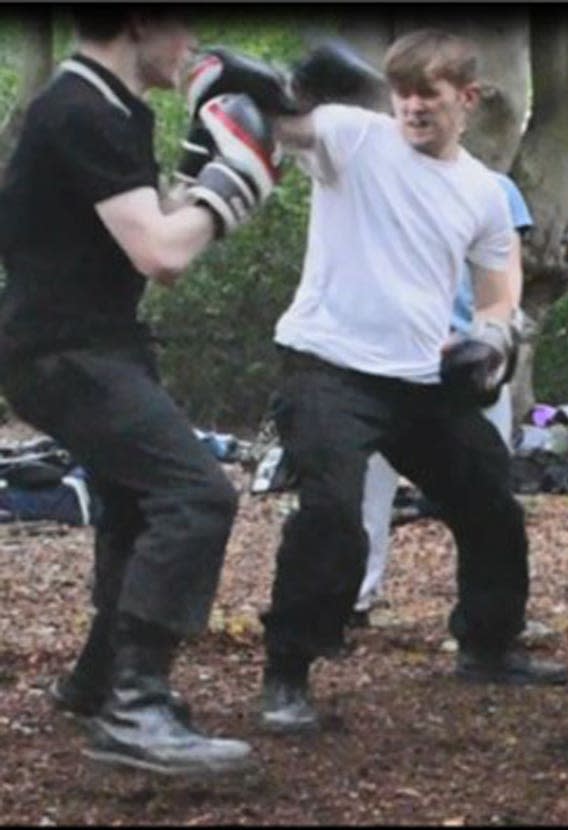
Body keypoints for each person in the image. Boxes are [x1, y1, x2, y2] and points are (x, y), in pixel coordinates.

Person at [256, 27, 567, 733]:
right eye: (402, 92)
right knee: (331, 515)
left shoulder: (486, 193)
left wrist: (492, 337)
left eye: (428, 93)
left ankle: (488, 644)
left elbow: (496, 294)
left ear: (468, 97)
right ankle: (287, 673)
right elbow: (285, 124)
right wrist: (278, 87)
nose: (413, 107)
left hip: (422, 375)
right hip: (328, 364)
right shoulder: (354, 136)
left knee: (491, 502)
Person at [0, 5, 281, 776]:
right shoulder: (79, 108)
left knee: (134, 502)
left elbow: (138, 225)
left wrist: (201, 180)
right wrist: (226, 191)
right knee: (195, 497)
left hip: (91, 343)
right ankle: (136, 708)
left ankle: (98, 684)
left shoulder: (108, 108)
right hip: (66, 351)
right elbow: (160, 251)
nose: (190, 42)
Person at [351, 171, 533, 626]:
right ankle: (349, 602)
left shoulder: (495, 189)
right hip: (388, 358)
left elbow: (508, 276)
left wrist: (494, 342)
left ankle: (490, 624)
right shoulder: (379, 177)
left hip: (470, 360)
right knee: (361, 491)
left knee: (489, 494)